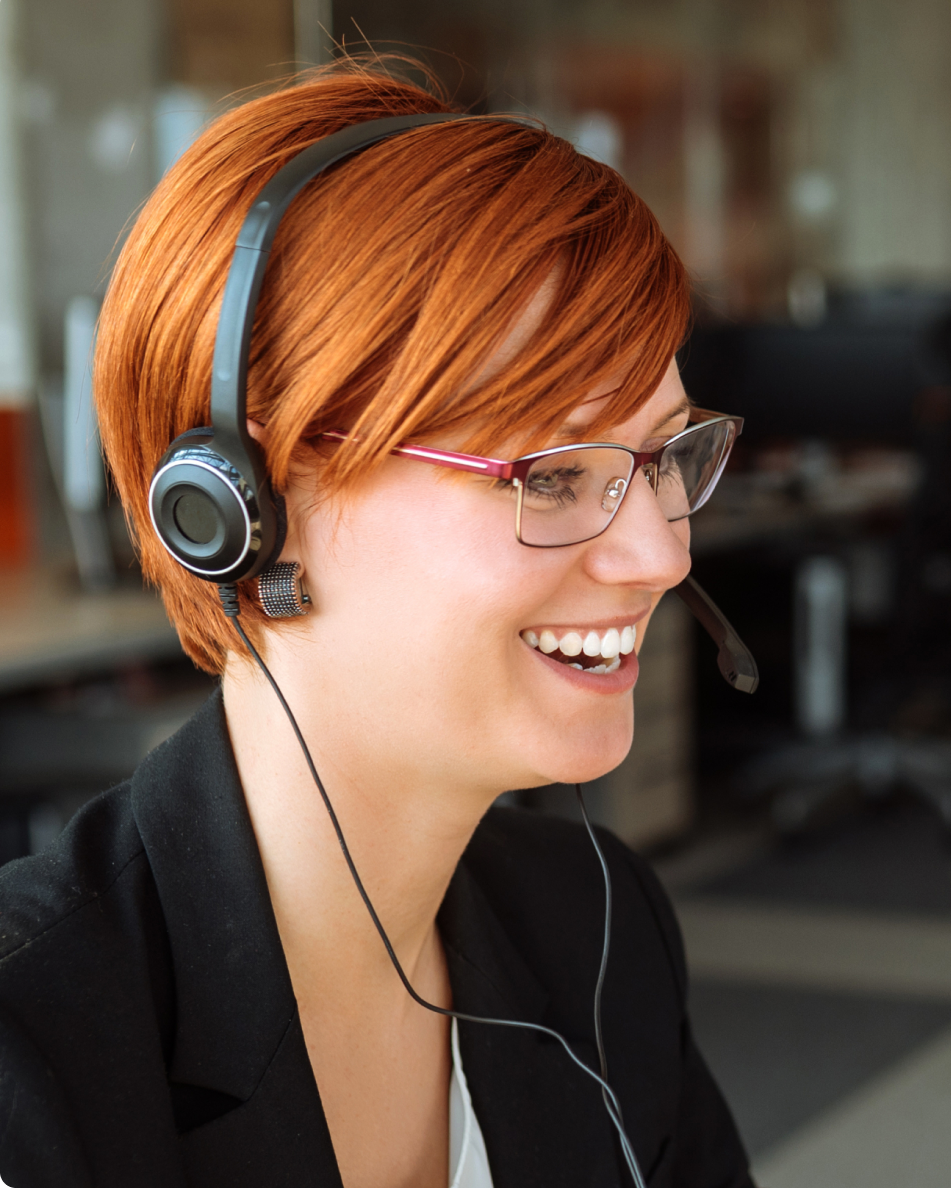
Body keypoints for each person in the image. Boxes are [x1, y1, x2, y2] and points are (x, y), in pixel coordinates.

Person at [0, 66, 753, 1187]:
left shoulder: (596, 925)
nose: (661, 553)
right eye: (552, 476)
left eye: (666, 459)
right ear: (250, 504)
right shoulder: (30, 1056)